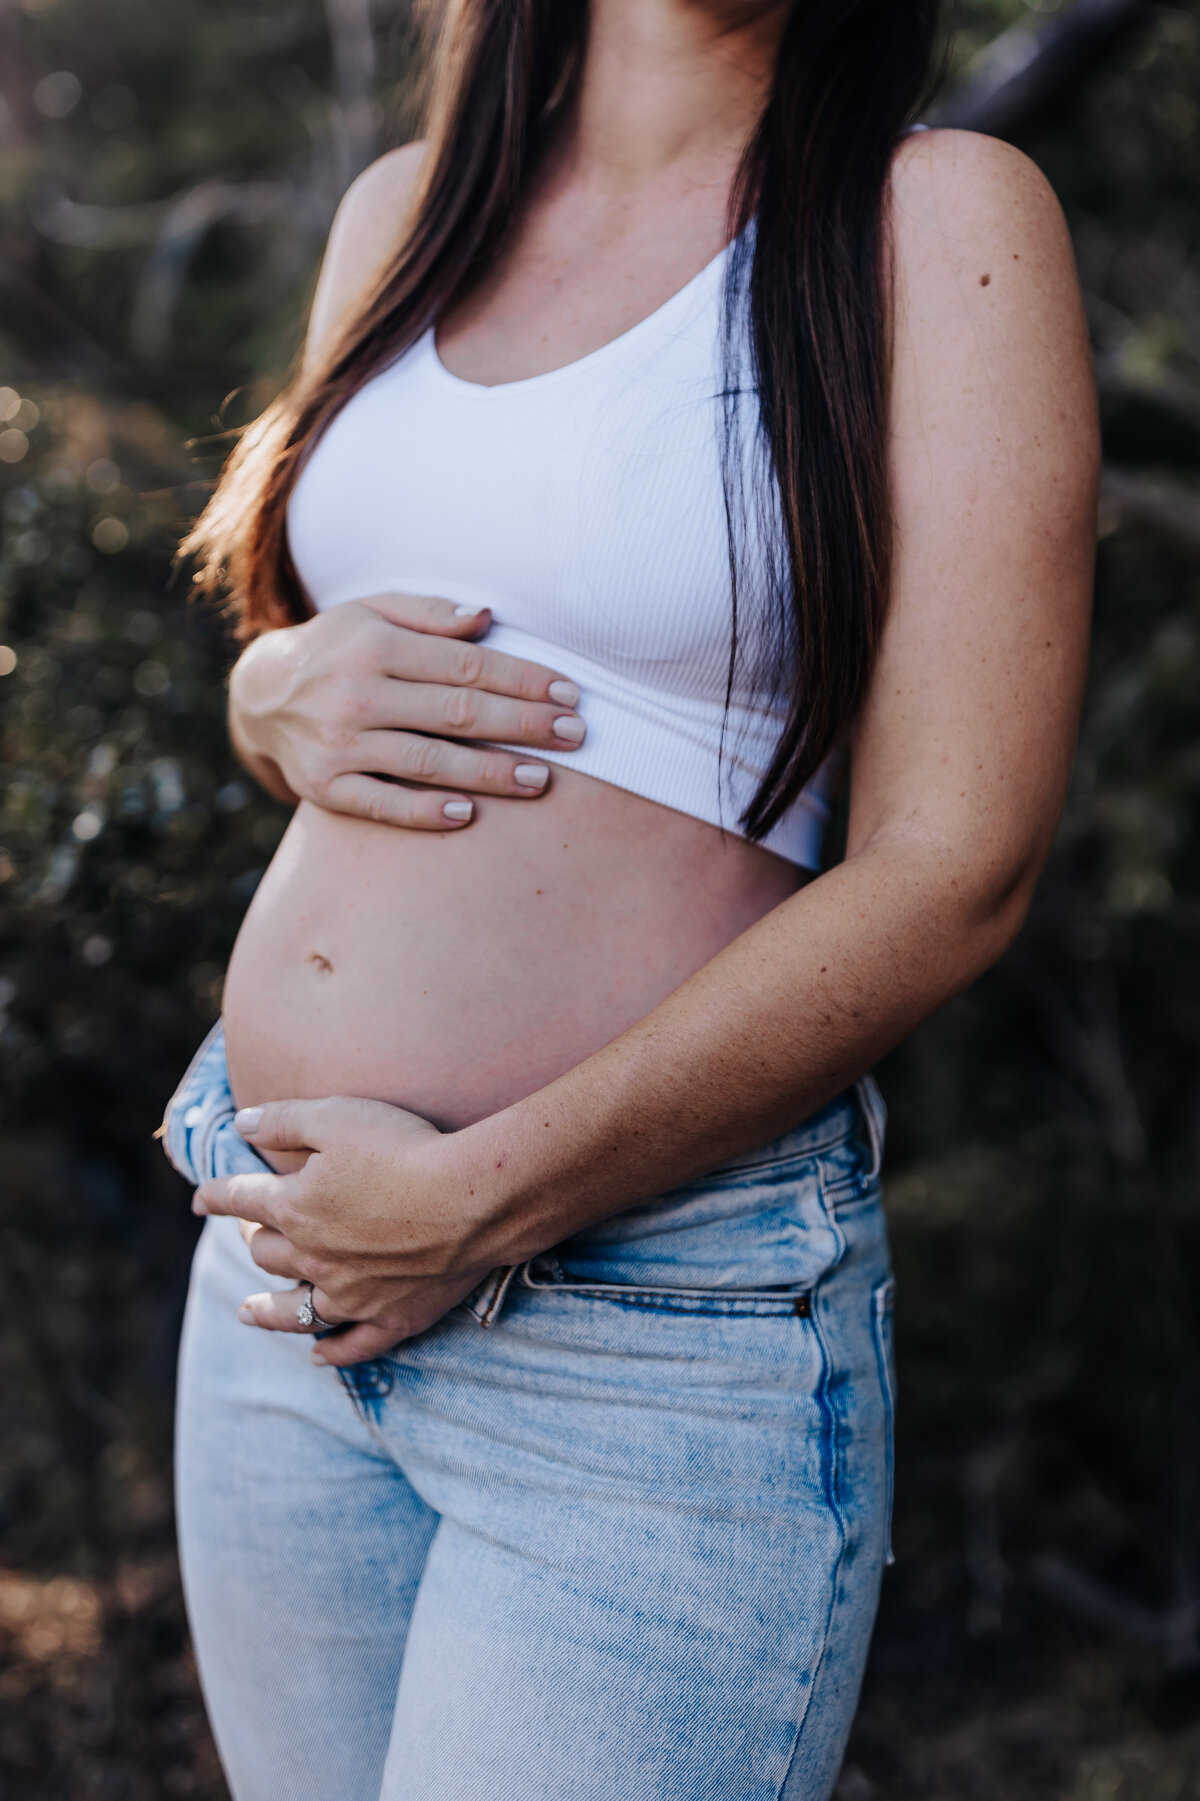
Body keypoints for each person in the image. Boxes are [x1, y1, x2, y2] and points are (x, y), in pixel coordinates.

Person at [164, 0, 1098, 1795]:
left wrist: (472, 1201)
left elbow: (959, 865)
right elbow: (335, 655)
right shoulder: (406, 214)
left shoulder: (939, 219)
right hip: (281, 1264)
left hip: (646, 1332)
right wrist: (260, 696)